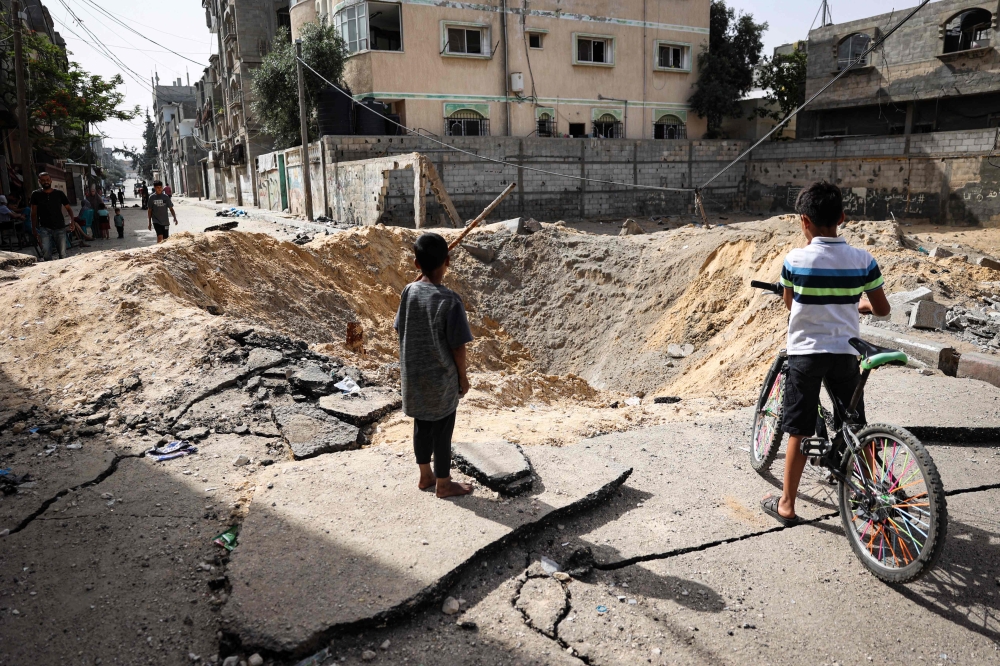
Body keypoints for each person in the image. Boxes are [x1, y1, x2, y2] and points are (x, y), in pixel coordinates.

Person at [761, 182, 891, 526]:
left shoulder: (795, 260)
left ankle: (787, 504)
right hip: (846, 353)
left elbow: (792, 303)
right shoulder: (863, 260)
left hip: (805, 354)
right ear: (843, 218)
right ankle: (872, 486)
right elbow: (882, 309)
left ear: (804, 220)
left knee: (798, 429)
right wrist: (858, 304)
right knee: (855, 423)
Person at [394, 233, 475, 499]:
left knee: (422, 425)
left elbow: (400, 327)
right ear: (447, 261)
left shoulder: (409, 291)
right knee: (442, 430)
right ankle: (443, 483)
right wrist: (462, 378)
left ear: (417, 264)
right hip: (441, 380)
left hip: (414, 376)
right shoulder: (450, 301)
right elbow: (457, 346)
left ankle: (425, 475)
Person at [30, 172, 75, 261]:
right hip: (44, 228)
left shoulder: (59, 193)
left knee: (62, 254)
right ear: (39, 181)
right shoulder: (35, 194)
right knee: (46, 253)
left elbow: (69, 209)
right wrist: (34, 229)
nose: (45, 182)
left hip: (60, 227)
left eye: (47, 180)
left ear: (51, 181)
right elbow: (33, 213)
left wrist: (72, 221)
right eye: (43, 180)